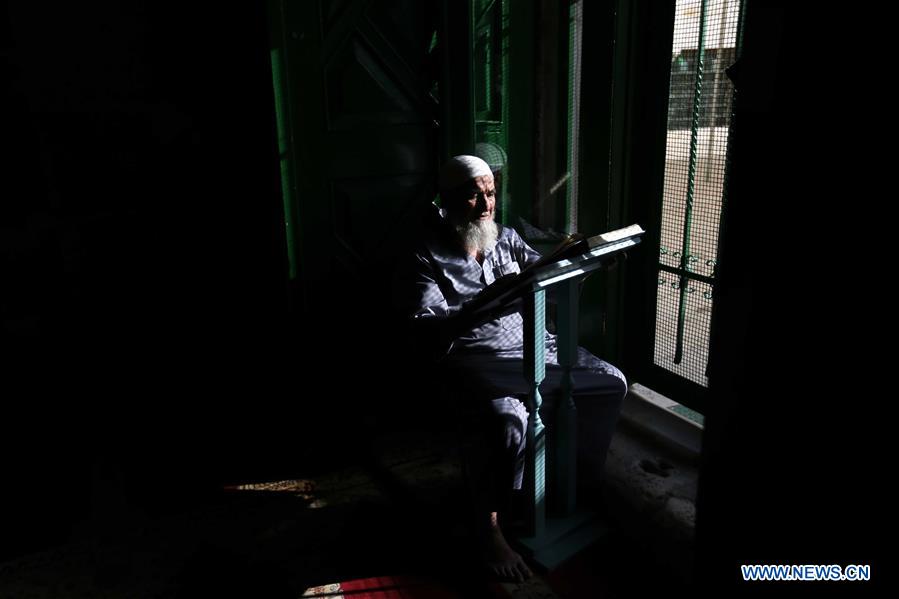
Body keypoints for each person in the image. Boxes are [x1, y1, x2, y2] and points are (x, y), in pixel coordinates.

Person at [394, 155, 627, 583]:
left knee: (611, 382)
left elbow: (548, 289)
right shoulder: (425, 252)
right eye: (472, 195)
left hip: (537, 347)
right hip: (473, 358)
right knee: (508, 422)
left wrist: (585, 268)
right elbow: (426, 326)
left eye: (490, 194)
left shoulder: (507, 238)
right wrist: (485, 303)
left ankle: (567, 487)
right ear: (445, 202)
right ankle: (490, 528)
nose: (485, 206)